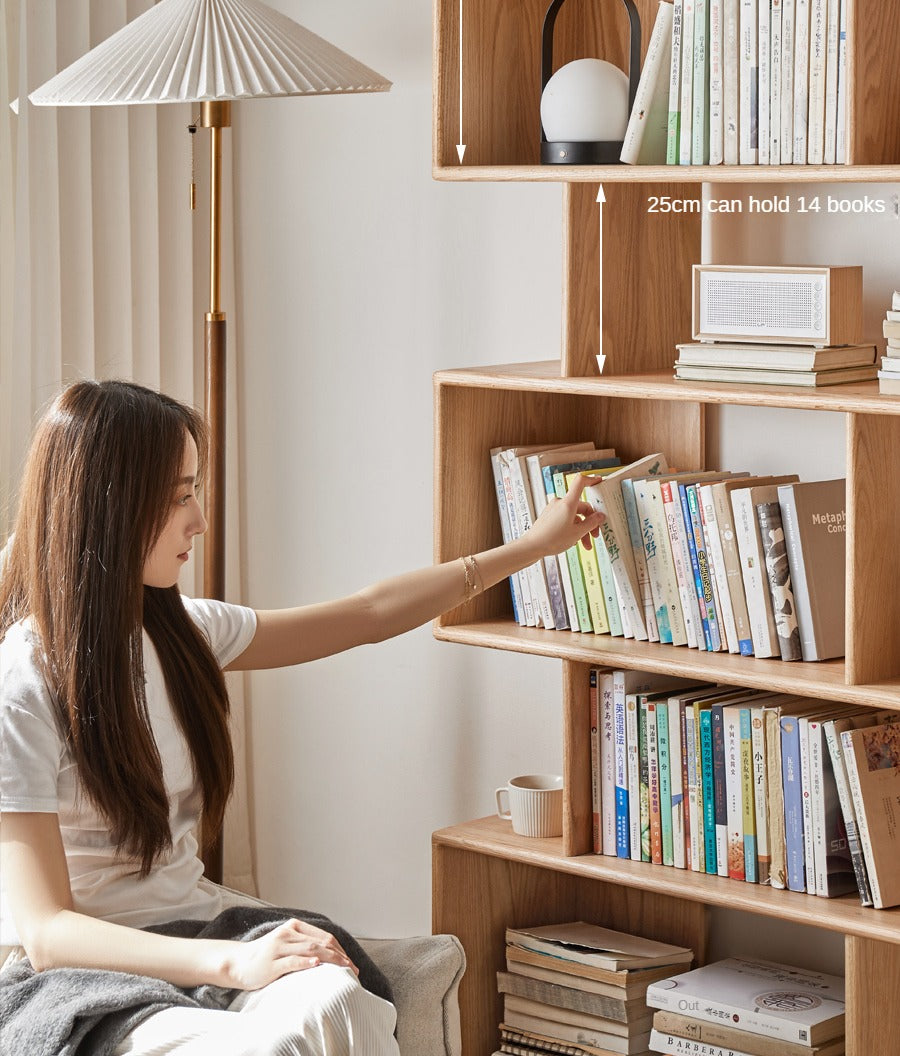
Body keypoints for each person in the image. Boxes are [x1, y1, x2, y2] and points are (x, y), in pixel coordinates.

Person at [0, 379, 605, 1055]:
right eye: (178, 497)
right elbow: (48, 933)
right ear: (108, 506)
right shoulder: (26, 683)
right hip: (92, 973)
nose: (198, 520)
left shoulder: (180, 634)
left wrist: (531, 548)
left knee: (339, 1001)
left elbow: (369, 615)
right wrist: (237, 965)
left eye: (194, 490)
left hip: (198, 927)